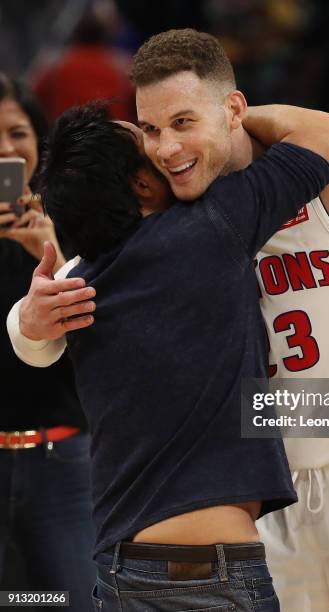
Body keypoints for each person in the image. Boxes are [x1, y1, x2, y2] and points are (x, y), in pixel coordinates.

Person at [8, 29, 329, 612]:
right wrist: (28, 320)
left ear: (234, 109)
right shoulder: (169, 207)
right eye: (151, 130)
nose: (166, 148)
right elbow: (49, 314)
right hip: (260, 505)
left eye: (184, 122)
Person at [12, 91, 329, 612]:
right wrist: (224, 116)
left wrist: (26, 323)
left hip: (117, 567)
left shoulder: (76, 282)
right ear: (143, 182)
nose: (167, 146)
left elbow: (32, 331)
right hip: (210, 571)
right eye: (149, 136)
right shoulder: (210, 226)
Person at [0, 74, 96, 608]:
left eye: (17, 132)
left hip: (63, 466)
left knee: (71, 603)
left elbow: (99, 347)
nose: (5, 150)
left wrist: (53, 252)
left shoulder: (76, 222)